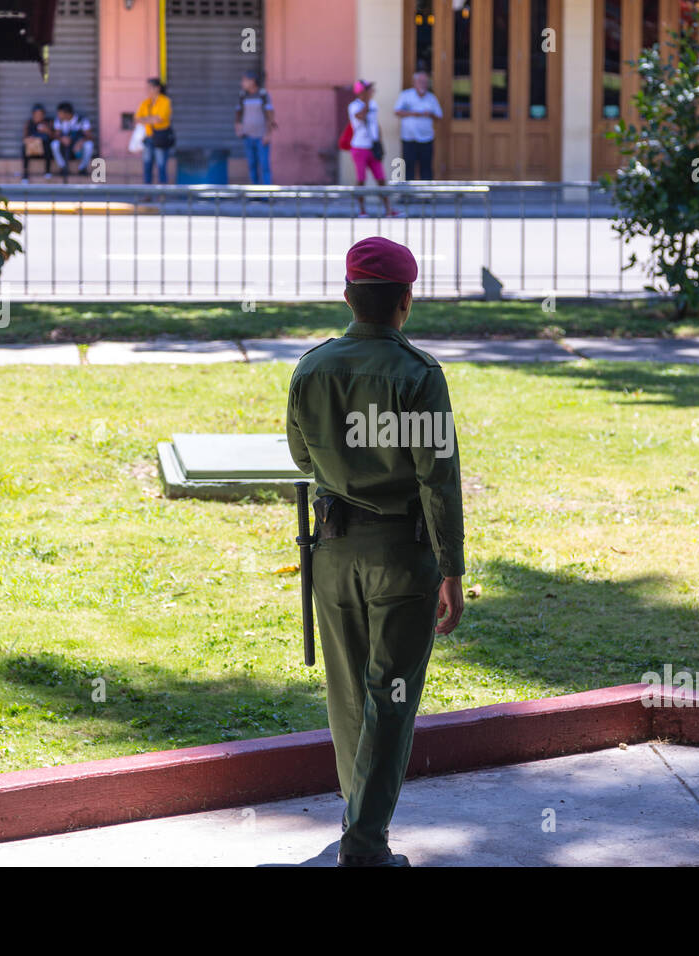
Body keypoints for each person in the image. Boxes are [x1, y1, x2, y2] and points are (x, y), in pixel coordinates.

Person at [286, 236, 465, 867]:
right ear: (405, 302)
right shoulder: (419, 377)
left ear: (347, 297)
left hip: (332, 554)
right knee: (390, 699)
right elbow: (436, 480)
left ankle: (355, 824)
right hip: (401, 558)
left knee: (347, 698)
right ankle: (364, 845)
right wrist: (453, 570)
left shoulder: (311, 369)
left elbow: (303, 458)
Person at [347, 80, 398, 217]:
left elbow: (375, 124)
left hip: (372, 147)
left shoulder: (374, 105)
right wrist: (367, 101)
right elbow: (361, 116)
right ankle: (362, 210)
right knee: (361, 180)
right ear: (361, 92)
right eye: (369, 89)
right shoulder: (354, 106)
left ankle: (388, 210)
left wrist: (379, 142)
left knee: (381, 179)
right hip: (359, 147)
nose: (372, 92)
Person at [393, 70, 441, 181]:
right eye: (420, 81)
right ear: (414, 83)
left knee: (426, 169)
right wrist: (414, 113)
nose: (423, 84)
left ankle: (427, 196)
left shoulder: (431, 98)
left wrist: (430, 114)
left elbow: (439, 116)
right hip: (409, 139)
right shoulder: (406, 95)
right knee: (408, 169)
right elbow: (397, 111)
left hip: (426, 139)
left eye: (425, 82)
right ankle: (408, 196)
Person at [234, 70, 276, 185]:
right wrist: (238, 127)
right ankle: (255, 193)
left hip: (261, 137)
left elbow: (270, 115)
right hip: (248, 136)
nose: (242, 83)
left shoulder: (263, 95)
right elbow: (238, 112)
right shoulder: (243, 96)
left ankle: (267, 194)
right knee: (252, 166)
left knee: (264, 166)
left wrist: (268, 134)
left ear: (252, 81)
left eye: (245, 80)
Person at [135, 78, 174, 184]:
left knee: (161, 166)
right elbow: (137, 119)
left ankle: (162, 194)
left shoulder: (165, 101)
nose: (147, 90)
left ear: (157, 88)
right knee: (147, 166)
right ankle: (147, 193)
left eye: (150, 88)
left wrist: (146, 119)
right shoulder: (145, 103)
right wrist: (151, 119)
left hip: (161, 138)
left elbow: (159, 119)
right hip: (148, 138)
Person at [51, 101, 96, 178]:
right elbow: (56, 135)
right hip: (65, 148)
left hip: (78, 149)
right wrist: (62, 139)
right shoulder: (59, 121)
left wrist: (80, 142)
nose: (58, 115)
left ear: (66, 113)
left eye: (60, 113)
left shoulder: (81, 120)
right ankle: (63, 167)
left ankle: (82, 168)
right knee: (54, 144)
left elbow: (90, 136)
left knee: (89, 145)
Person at [21, 104, 53, 182]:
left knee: (48, 145)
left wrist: (47, 130)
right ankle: (25, 174)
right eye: (37, 114)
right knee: (24, 147)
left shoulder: (48, 122)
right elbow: (24, 138)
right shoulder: (29, 123)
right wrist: (30, 139)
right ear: (33, 114)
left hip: (44, 152)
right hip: (33, 151)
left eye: (41, 114)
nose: (39, 116)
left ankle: (47, 172)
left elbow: (54, 136)